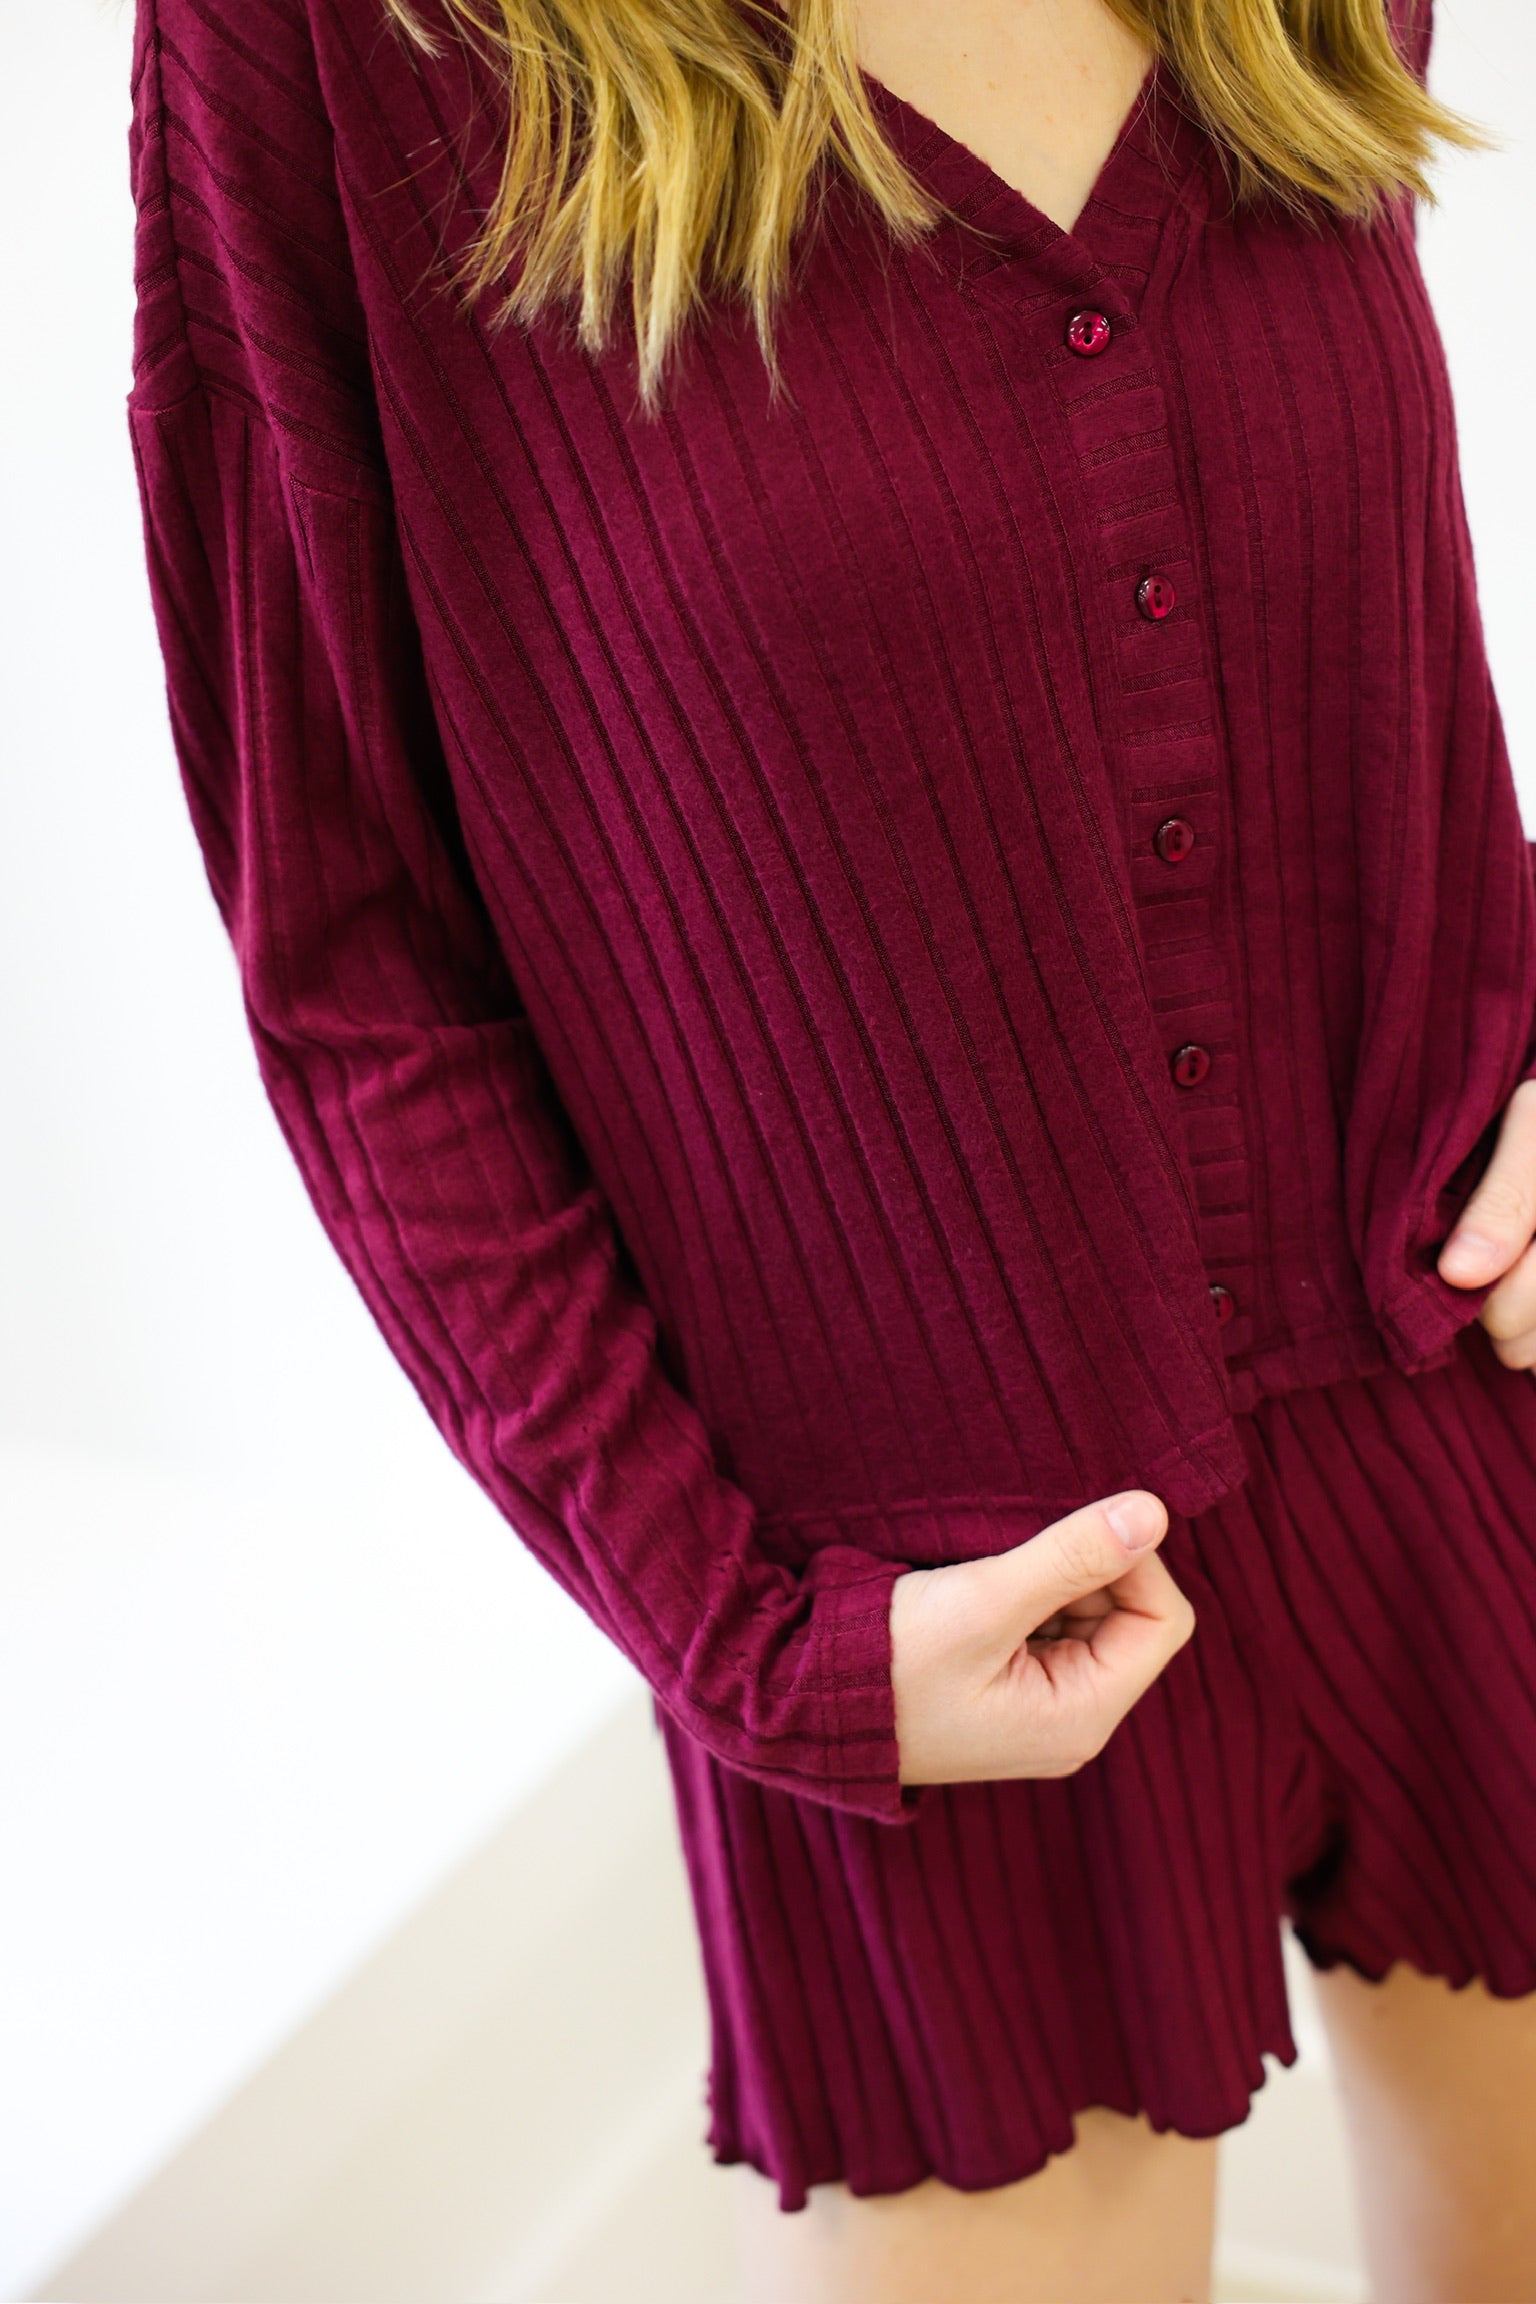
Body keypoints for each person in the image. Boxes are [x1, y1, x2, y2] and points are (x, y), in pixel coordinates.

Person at [124, 0, 1536, 2292]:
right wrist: (754, 1640)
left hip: (1481, 1394)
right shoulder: (323, 46)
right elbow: (360, 969)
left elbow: (1365, 590)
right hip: (947, 1629)